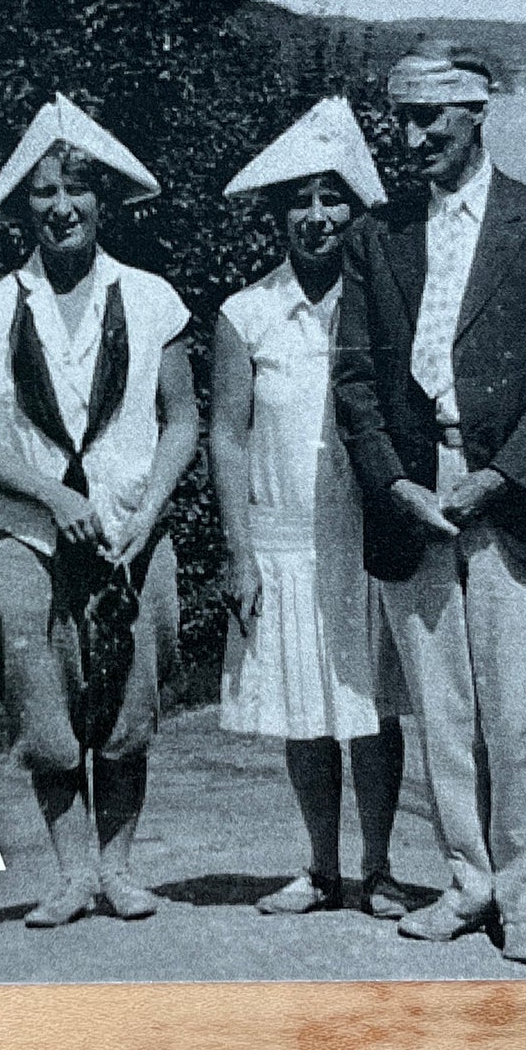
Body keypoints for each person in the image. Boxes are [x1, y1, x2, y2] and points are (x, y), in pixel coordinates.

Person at [334, 43, 526, 964]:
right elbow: (354, 379)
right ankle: (467, 880)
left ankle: (524, 899)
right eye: (401, 119)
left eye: (431, 119)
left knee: (519, 716)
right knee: (443, 712)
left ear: (477, 111)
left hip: (516, 502)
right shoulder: (375, 236)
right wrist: (395, 483)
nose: (413, 137)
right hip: (414, 501)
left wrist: (500, 478)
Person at [0, 95, 199, 928]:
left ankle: (119, 869)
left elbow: (183, 419)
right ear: (24, 204)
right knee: (43, 703)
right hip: (24, 534)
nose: (62, 207)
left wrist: (148, 512)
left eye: (78, 189)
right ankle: (71, 874)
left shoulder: (153, 298)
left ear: (104, 199)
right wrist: (53, 495)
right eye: (45, 191)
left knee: (129, 704)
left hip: (132, 530)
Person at [211, 98, 408, 917]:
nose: (318, 216)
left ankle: (379, 868)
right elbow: (227, 435)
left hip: (369, 536)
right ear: (278, 214)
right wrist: (239, 549)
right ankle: (321, 868)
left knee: (370, 707)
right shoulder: (246, 313)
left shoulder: (384, 303)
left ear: (357, 209)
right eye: (300, 200)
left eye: (334, 198)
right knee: (305, 707)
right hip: (285, 535)